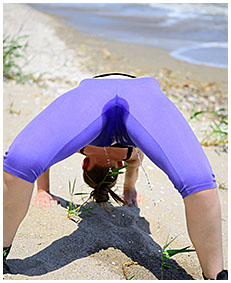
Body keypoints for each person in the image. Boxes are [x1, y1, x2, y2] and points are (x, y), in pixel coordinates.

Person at [3, 73, 227, 279]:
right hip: (142, 94)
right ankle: (217, 275)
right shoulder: (125, 154)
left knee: (20, 162)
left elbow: (41, 159)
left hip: (93, 94)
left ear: (86, 161)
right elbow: (135, 167)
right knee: (198, 182)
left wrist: (44, 190)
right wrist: (129, 190)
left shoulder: (86, 146)